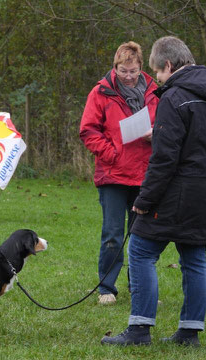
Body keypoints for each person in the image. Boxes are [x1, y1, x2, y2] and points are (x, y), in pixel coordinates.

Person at [101, 36, 206, 347]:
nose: (156, 77)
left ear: (169, 65)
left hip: (177, 192)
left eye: (157, 71)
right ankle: (189, 333)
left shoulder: (173, 97)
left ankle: (139, 329)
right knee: (195, 258)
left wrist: (145, 200)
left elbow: (165, 158)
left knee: (141, 251)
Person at [80, 41, 159, 305]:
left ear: (140, 68)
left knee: (142, 235)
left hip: (145, 173)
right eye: (124, 71)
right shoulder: (100, 92)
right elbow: (88, 131)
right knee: (113, 234)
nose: (128, 76)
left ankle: (140, 288)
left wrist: (156, 135)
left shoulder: (155, 90)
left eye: (133, 71)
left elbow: (168, 123)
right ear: (115, 67)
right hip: (113, 175)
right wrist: (111, 153)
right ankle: (106, 288)